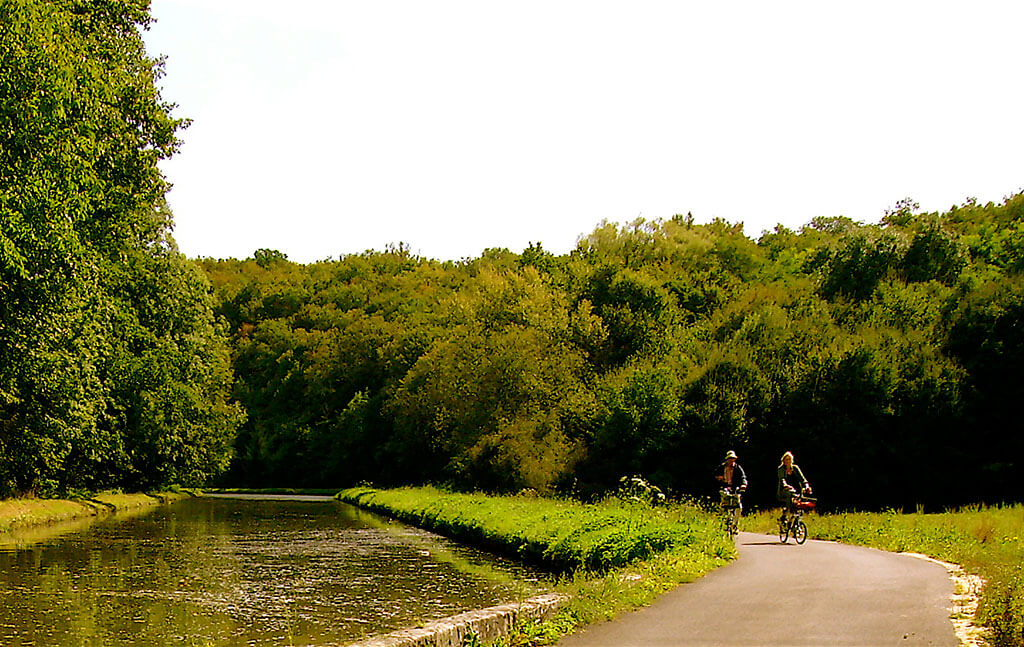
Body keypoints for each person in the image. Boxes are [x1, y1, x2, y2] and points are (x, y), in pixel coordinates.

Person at [777, 451, 812, 518]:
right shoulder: (781, 469)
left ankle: (797, 522)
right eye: (786, 459)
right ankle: (787, 514)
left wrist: (807, 486)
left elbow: (803, 479)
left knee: (800, 505)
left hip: (797, 490)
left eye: (789, 459)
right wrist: (786, 485)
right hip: (785, 491)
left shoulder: (795, 468)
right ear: (783, 461)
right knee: (790, 496)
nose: (788, 461)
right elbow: (782, 479)